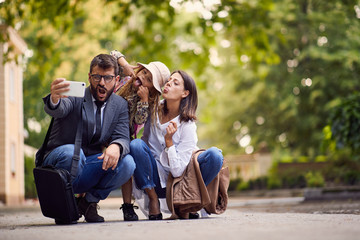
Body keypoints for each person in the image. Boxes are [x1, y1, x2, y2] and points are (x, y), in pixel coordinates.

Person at [41, 54, 135, 223]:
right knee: (72, 153)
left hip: (87, 167)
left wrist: (117, 146)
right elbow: (60, 108)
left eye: (108, 78)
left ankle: (88, 203)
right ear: (89, 77)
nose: (102, 83)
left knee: (127, 163)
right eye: (97, 77)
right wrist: (54, 99)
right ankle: (63, 209)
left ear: (116, 79)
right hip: (59, 165)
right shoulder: (75, 95)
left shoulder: (119, 105)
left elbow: (123, 137)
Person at [128, 70, 224, 220]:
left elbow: (178, 171)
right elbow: (143, 146)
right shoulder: (153, 110)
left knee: (215, 155)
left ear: (185, 93)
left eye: (175, 83)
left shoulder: (188, 125)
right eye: (169, 80)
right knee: (136, 145)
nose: (168, 84)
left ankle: (193, 201)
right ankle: (153, 199)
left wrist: (169, 143)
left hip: (181, 183)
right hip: (155, 183)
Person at [110, 50, 171, 221]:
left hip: (124, 134)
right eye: (144, 72)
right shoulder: (126, 80)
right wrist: (124, 63)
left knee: (127, 164)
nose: (143, 77)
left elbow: (139, 120)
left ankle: (127, 206)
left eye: (149, 80)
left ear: (152, 89)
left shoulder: (149, 101)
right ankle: (85, 201)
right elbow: (113, 53)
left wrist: (143, 101)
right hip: (105, 128)